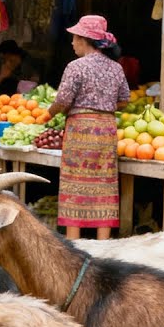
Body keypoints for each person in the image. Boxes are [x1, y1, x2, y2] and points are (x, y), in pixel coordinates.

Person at [48, 15, 129, 241]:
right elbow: (124, 100)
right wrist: (102, 106)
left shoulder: (75, 67)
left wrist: (47, 114)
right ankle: (103, 246)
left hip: (80, 131)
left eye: (74, 37)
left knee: (75, 187)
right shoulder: (115, 68)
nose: (72, 43)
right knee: (104, 186)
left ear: (84, 39)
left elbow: (63, 100)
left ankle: (74, 244)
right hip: (106, 131)